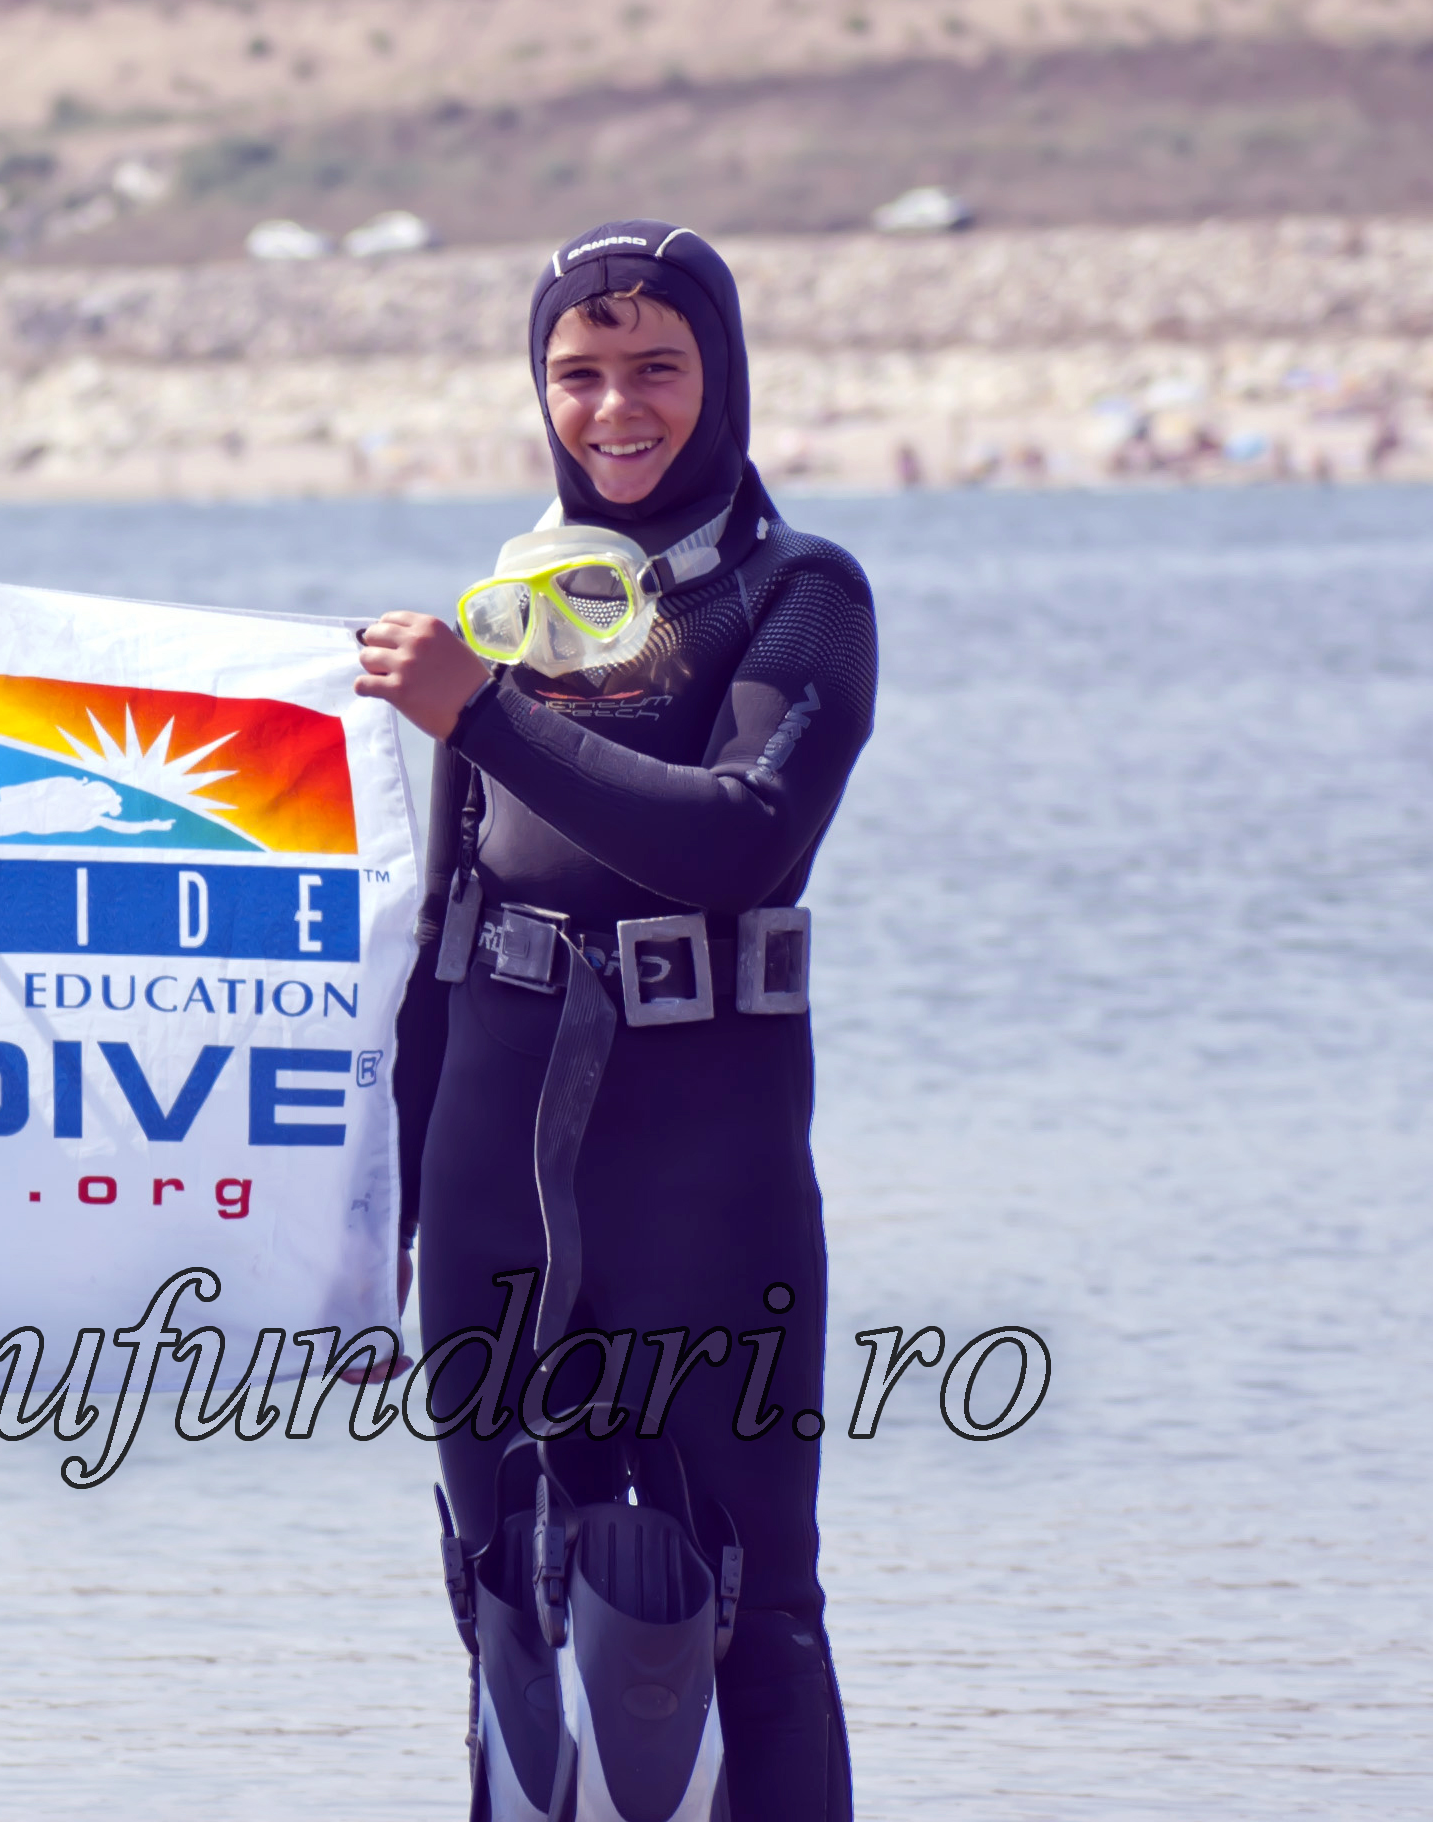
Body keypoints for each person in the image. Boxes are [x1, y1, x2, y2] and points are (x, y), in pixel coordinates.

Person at [356, 221, 874, 1819]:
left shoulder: (799, 595)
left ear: (719, 377)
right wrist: (371, 1213)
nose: (615, 406)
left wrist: (482, 713)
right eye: (578, 374)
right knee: (506, 1596)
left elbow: (741, 835)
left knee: (751, 1611)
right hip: (487, 1149)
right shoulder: (495, 613)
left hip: (705, 1160)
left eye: (656, 366)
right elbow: (435, 924)